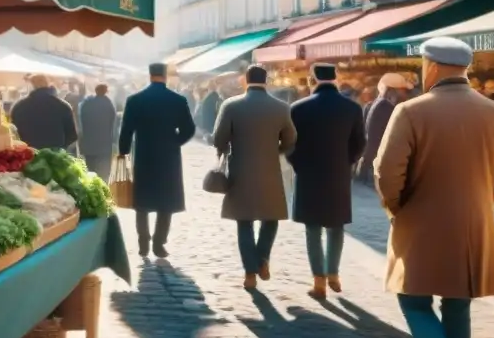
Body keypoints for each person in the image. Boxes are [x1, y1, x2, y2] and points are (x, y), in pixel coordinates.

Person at [374, 37, 494, 338]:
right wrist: (477, 200)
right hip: (474, 225)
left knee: (414, 302)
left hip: (420, 223)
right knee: (458, 307)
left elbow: (387, 175)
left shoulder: (409, 111)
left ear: (432, 66)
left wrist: (398, 209)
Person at [213, 64, 297, 289]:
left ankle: (250, 273)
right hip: (270, 170)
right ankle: (262, 259)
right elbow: (290, 140)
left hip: (240, 170)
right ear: (266, 81)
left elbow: (218, 139)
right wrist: (274, 150)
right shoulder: (281, 108)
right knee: (271, 218)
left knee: (244, 221)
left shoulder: (231, 105)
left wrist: (230, 147)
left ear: (245, 81)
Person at [288, 63, 366, 299]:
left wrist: (298, 164)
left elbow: (290, 144)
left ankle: (318, 280)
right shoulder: (352, 108)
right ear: (336, 78)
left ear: (313, 79)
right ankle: (333, 272)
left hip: (308, 174)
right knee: (336, 226)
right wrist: (347, 162)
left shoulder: (298, 108)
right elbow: (360, 143)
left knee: (312, 229)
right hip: (337, 174)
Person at [118, 63, 196, 258]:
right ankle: (159, 244)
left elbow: (126, 131)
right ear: (165, 76)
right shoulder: (177, 100)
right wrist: (175, 142)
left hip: (144, 155)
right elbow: (189, 129)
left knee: (141, 202)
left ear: (150, 75)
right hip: (168, 157)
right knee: (165, 202)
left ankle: (143, 243)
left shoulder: (135, 100)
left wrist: (123, 152)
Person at [357, 73, 413, 184]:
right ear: (392, 90)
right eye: (403, 90)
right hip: (377, 166)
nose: (405, 94)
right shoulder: (385, 107)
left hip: (371, 162)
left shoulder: (375, 104)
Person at [10, 74, 78, 151]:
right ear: (48, 85)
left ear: (31, 86)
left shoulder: (19, 106)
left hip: (28, 154)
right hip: (55, 156)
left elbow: (13, 133)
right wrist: (60, 147)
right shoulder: (63, 106)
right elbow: (72, 136)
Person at [78, 84, 117, 180]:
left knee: (90, 168)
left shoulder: (86, 103)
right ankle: (101, 189)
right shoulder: (109, 104)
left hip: (88, 140)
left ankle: (91, 186)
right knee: (103, 171)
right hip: (104, 142)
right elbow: (113, 123)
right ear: (106, 91)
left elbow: (82, 121)